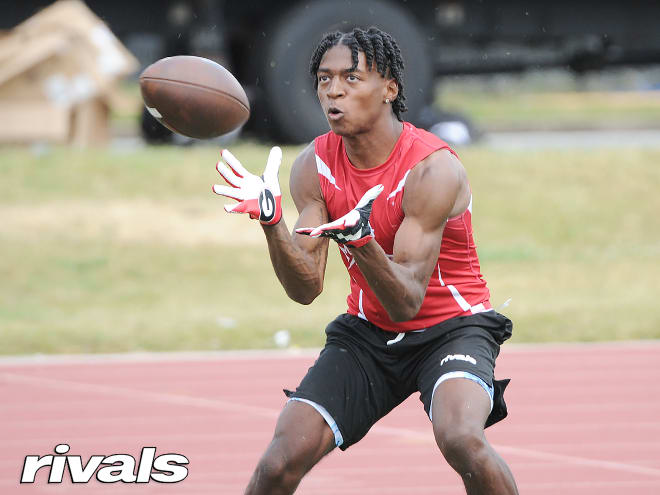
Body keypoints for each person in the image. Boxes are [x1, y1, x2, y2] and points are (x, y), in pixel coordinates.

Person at [212, 26, 518, 495]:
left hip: (451, 327)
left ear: (389, 89)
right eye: (323, 79)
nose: (333, 91)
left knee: (461, 439)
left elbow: (408, 302)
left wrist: (361, 240)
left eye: (351, 79)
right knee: (279, 462)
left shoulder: (432, 170)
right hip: (369, 333)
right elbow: (306, 287)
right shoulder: (314, 165)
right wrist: (272, 222)